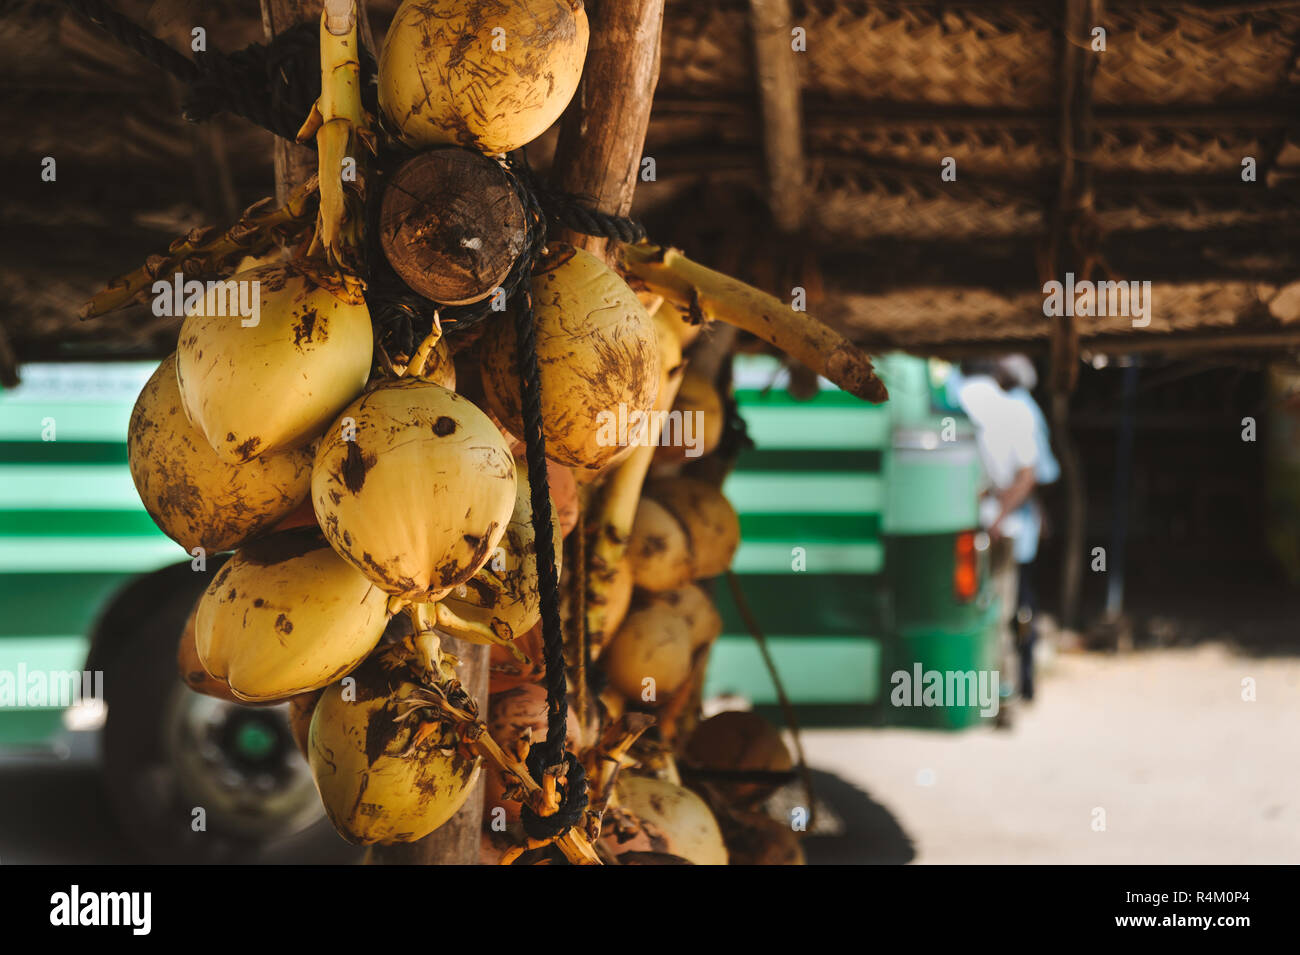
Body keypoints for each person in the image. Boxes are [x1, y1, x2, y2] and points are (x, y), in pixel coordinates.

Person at [948, 357, 1048, 709]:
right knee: (1005, 610)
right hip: (1006, 528)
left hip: (955, 529)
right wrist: (1002, 512)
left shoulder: (950, 399)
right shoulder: (1019, 410)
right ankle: (1002, 692)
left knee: (960, 611)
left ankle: (965, 692)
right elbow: (1030, 473)